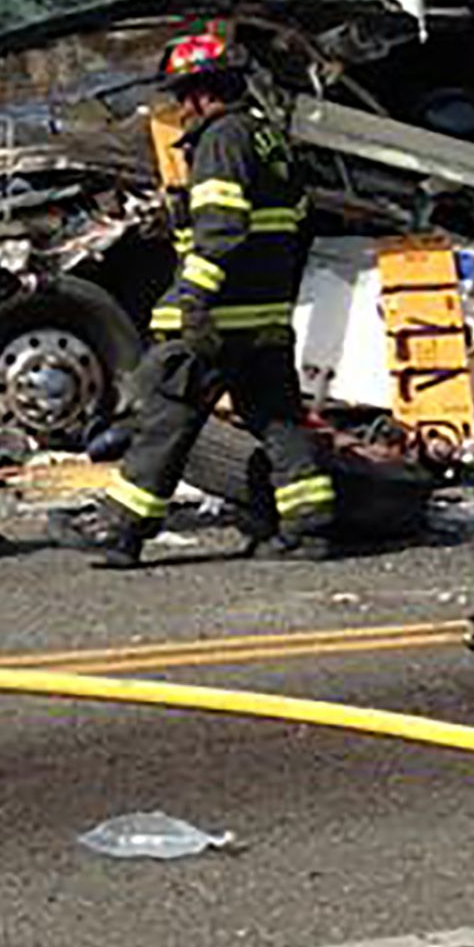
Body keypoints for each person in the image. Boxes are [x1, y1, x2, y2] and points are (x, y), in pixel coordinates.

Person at [56, 29, 336, 566]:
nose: (182, 107)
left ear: (205, 92)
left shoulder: (222, 139)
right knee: (279, 421)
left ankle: (122, 528)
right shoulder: (268, 138)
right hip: (266, 314)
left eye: (185, 95)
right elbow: (297, 227)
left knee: (168, 414)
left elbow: (222, 230)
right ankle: (309, 529)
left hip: (220, 316)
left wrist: (193, 301)